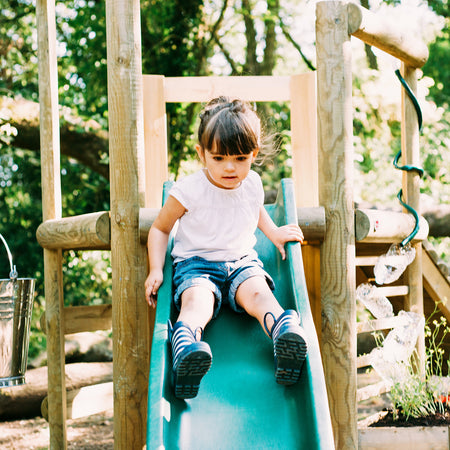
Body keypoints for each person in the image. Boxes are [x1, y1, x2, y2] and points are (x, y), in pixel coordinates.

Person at [145, 97, 308, 399]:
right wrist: (156, 268)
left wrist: (273, 232)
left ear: (253, 154)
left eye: (240, 158)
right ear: (202, 153)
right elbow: (160, 227)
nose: (230, 167)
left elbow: (254, 209)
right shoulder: (189, 190)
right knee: (198, 304)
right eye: (219, 158)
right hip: (197, 264)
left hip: (241, 261)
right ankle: (187, 352)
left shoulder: (253, 183)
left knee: (259, 295)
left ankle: (284, 333)